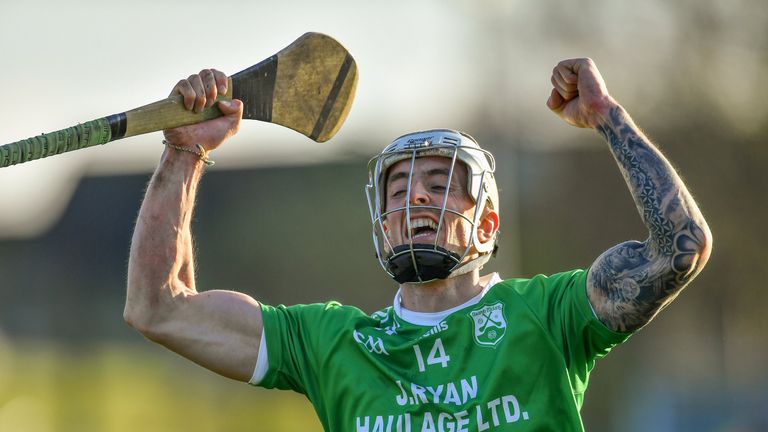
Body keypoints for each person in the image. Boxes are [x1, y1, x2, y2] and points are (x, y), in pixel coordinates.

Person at [124, 58, 712, 432]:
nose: (415, 203)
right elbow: (159, 307)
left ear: (486, 224)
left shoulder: (547, 314)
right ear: (383, 224)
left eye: (439, 187)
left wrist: (608, 117)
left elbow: (677, 250)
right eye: (399, 191)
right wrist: (184, 152)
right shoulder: (332, 344)